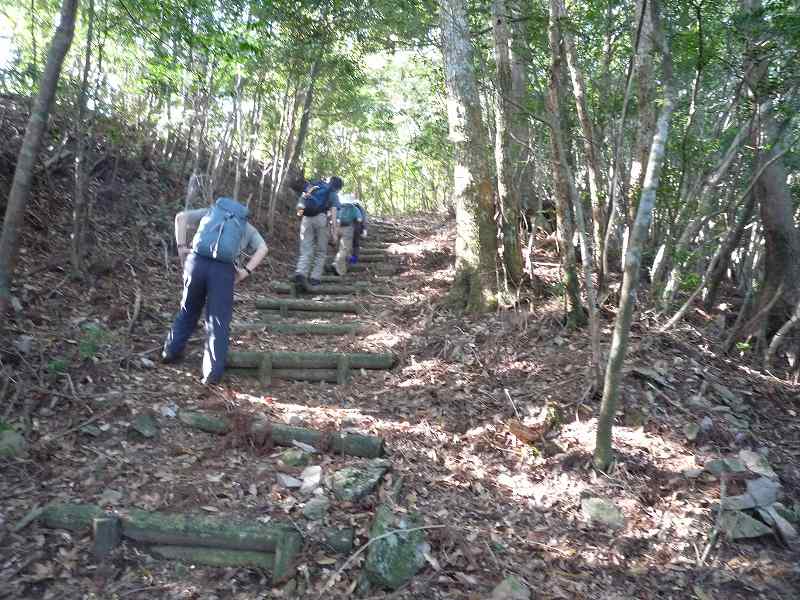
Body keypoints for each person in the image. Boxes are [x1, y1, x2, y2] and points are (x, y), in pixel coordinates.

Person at [162, 196, 268, 385]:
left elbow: (180, 217)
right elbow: (263, 248)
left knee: (187, 310)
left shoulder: (211, 212)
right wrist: (245, 272)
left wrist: (181, 248)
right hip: (223, 271)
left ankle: (170, 351)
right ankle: (211, 373)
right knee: (218, 320)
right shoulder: (245, 226)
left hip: (197, 262)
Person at [293, 176, 342, 290]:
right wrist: (334, 234)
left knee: (306, 248)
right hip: (321, 218)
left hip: (306, 218)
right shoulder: (332, 193)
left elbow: (301, 202)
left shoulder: (314, 186)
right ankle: (314, 278)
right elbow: (334, 215)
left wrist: (300, 215)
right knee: (321, 250)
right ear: (338, 187)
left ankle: (301, 272)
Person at [333, 193, 367, 275]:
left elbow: (335, 218)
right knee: (352, 245)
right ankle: (349, 262)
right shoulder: (355, 208)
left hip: (339, 228)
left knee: (342, 247)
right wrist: (364, 229)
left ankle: (344, 264)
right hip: (350, 228)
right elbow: (360, 219)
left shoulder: (340, 207)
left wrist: (334, 230)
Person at [349, 198, 368, 265]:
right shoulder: (361, 209)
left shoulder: (349, 207)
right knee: (356, 245)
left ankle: (345, 260)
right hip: (357, 228)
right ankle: (353, 261)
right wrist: (364, 229)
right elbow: (364, 220)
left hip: (347, 228)